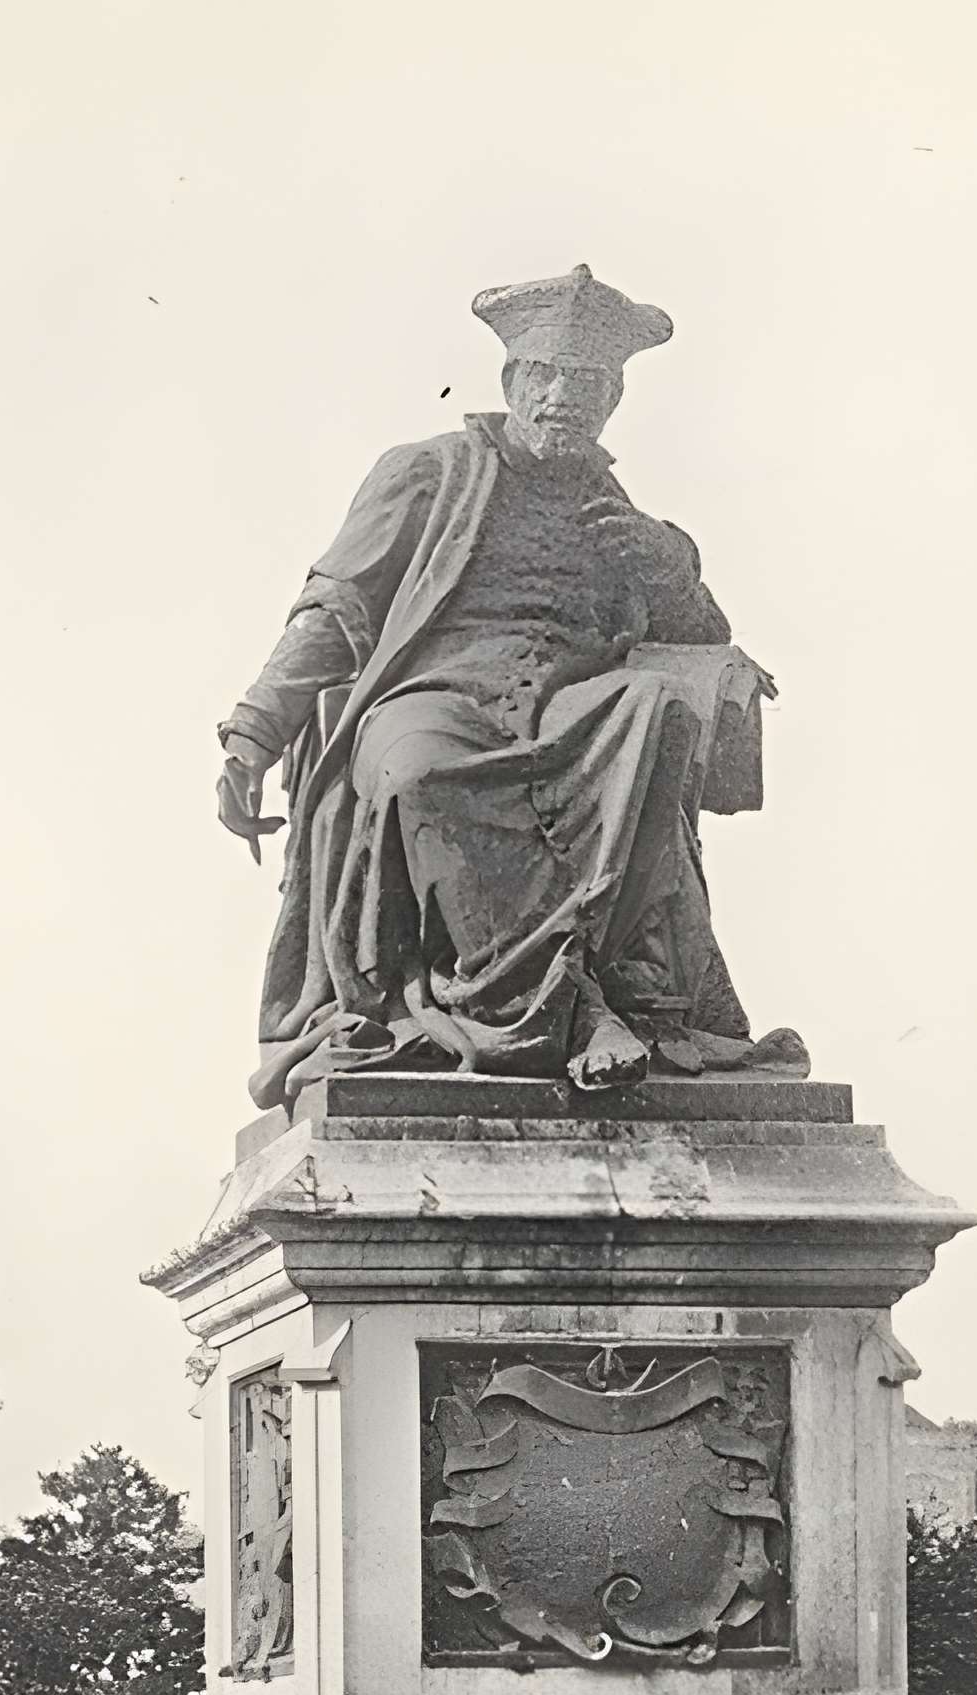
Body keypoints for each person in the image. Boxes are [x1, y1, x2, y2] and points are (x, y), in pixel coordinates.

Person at [217, 265, 805, 1105]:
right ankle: (571, 1013)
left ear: (613, 402)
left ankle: (628, 1000)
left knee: (654, 712)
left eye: (590, 382)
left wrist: (667, 566)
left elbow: (699, 637)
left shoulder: (620, 509)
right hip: (438, 698)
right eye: (548, 374)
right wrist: (251, 731)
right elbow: (337, 606)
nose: (567, 395)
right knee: (418, 772)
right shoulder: (429, 470)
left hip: (569, 706)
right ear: (510, 382)